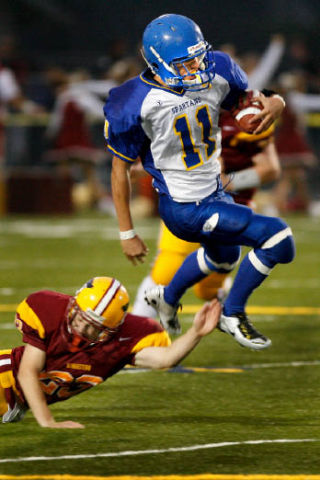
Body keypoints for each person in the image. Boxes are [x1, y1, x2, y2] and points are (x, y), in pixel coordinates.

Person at [104, 14, 295, 351]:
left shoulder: (218, 67)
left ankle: (167, 297)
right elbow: (119, 170)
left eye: (198, 56)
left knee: (224, 258)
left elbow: (249, 99)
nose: (197, 66)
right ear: (158, 61)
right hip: (183, 207)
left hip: (215, 192)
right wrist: (127, 232)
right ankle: (232, 313)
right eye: (185, 62)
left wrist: (276, 101)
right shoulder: (133, 101)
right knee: (278, 238)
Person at [0, 276, 221, 428]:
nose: (80, 328)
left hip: (16, 401)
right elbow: (27, 371)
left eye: (93, 327)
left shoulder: (122, 342)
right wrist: (47, 421)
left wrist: (196, 332)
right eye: (79, 317)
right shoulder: (49, 311)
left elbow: (166, 358)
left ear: (112, 331)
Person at [132, 110, 281, 319]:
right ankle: (136, 327)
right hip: (187, 201)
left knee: (207, 289)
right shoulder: (183, 105)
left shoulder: (248, 111)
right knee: (166, 269)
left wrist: (227, 182)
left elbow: (270, 169)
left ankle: (221, 298)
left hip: (230, 209)